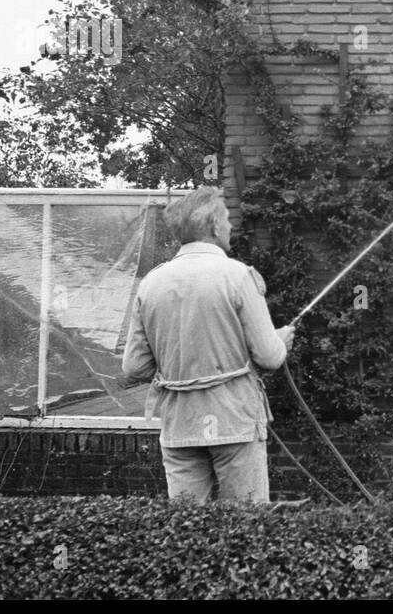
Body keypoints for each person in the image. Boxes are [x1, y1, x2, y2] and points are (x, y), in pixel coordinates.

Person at [118, 186, 295, 503]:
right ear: (214, 226)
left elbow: (134, 368)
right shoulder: (238, 276)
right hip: (235, 421)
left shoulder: (151, 283)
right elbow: (269, 357)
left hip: (179, 425)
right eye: (226, 219)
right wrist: (280, 341)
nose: (230, 226)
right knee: (246, 523)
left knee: (186, 527)